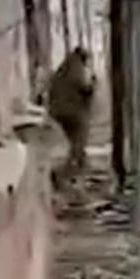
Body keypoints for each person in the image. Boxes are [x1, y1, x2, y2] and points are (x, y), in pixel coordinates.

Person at [48, 47, 96, 186]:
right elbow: (84, 88)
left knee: (76, 141)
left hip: (59, 111)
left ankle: (79, 167)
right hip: (70, 111)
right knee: (79, 141)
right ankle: (63, 174)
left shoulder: (63, 68)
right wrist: (93, 85)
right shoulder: (76, 68)